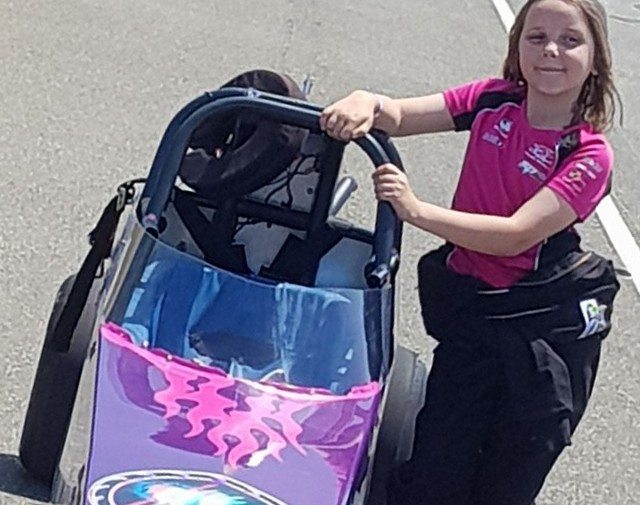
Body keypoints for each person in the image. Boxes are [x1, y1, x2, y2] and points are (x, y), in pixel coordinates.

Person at [320, 0, 621, 504]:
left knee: (501, 488)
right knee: (432, 477)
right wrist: (365, 101)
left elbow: (516, 235)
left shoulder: (588, 154)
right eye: (536, 37)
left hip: (537, 342)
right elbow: (399, 115)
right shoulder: (492, 100)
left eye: (570, 40)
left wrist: (415, 210)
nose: (551, 50)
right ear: (517, 46)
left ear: (595, 59)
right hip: (473, 320)